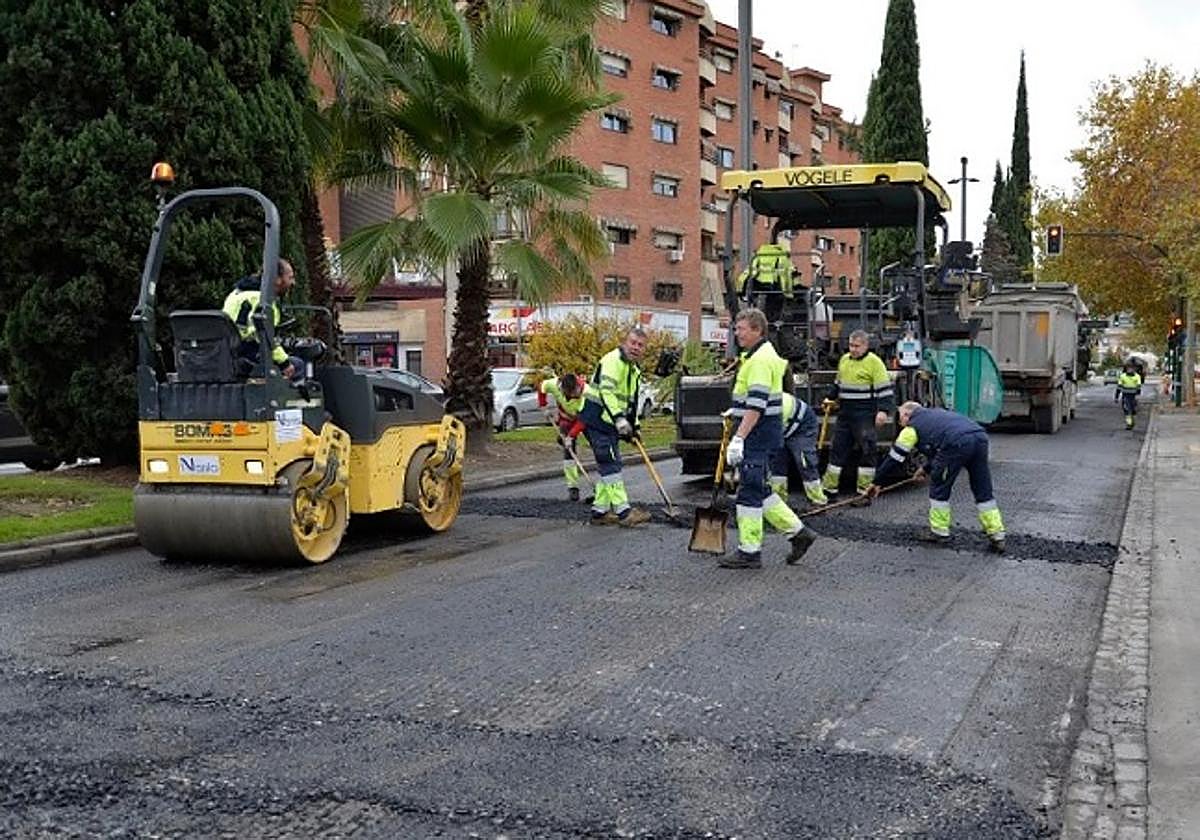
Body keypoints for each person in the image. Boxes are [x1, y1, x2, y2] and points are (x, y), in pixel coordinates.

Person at [722, 308, 817, 569]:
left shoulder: (761, 360)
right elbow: (754, 400)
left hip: (757, 433)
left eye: (741, 329)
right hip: (763, 431)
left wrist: (739, 437)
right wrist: (737, 411)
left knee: (749, 490)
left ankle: (749, 551)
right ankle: (799, 533)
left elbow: (757, 405)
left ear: (756, 330)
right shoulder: (758, 356)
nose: (737, 333)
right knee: (760, 489)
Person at [867, 401, 1006, 554]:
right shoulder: (936, 415)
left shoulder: (912, 427)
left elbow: (895, 457)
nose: (900, 422)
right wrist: (925, 469)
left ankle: (939, 531)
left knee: (939, 485)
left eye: (900, 417)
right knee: (982, 487)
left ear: (907, 414)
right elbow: (940, 449)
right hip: (979, 437)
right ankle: (997, 534)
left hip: (956, 443)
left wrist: (877, 482)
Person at [579, 327, 651, 526]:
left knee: (607, 464)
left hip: (609, 423)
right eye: (633, 343)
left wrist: (634, 427)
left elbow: (631, 402)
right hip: (597, 421)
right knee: (610, 463)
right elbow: (606, 392)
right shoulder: (612, 361)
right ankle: (623, 512)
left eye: (640, 345)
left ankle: (599, 511)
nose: (636, 348)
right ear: (624, 343)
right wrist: (619, 419)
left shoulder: (633, 370)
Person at [820, 329, 894, 498]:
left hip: (865, 413)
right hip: (845, 413)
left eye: (857, 346)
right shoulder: (844, 360)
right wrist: (829, 398)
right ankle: (829, 489)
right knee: (837, 450)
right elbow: (838, 384)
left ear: (866, 346)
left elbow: (884, 389)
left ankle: (864, 490)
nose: (853, 349)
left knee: (867, 450)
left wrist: (883, 411)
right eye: (851, 345)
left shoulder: (874, 363)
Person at [223, 258, 303, 381]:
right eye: (290, 277)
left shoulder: (235, 294)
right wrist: (285, 363)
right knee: (297, 364)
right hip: (250, 356)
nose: (293, 283)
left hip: (229, 356)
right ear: (277, 279)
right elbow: (265, 338)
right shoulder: (265, 302)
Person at [770, 388, 828, 506]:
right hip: (784, 425)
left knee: (804, 460)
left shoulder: (769, 413)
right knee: (776, 462)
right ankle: (779, 502)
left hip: (802, 425)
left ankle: (818, 500)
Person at [540, 372, 588, 501]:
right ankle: (573, 487)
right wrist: (543, 405)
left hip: (585, 420)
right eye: (570, 394)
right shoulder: (553, 385)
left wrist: (571, 436)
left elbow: (584, 420)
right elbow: (542, 387)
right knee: (569, 452)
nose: (574, 396)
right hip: (566, 420)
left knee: (598, 448)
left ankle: (603, 489)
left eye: (575, 393)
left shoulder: (586, 392)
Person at [1115, 361, 1143, 430]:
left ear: (1134, 369)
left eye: (1132, 368)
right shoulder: (1122, 376)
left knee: (1131, 410)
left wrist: (1138, 395)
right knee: (1127, 409)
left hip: (1133, 395)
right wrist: (1117, 397)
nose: (1130, 370)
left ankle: (1131, 420)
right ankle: (1129, 423)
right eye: (1129, 368)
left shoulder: (1137, 376)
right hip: (1125, 395)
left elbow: (1139, 387)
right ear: (1126, 369)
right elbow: (1119, 387)